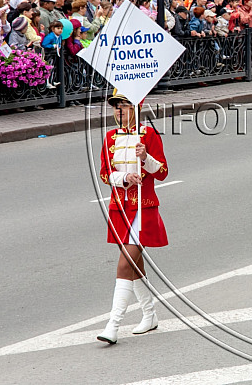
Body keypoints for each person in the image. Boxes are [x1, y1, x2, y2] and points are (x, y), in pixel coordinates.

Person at [97, 90, 169, 344]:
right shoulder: (109, 138)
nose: (119, 110)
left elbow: (162, 172)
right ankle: (150, 315)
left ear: (136, 108)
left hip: (143, 208)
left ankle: (113, 325)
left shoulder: (149, 135)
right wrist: (125, 178)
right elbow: (105, 174)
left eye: (124, 105)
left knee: (125, 263)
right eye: (116, 106)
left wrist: (145, 157)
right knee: (135, 263)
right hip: (119, 208)